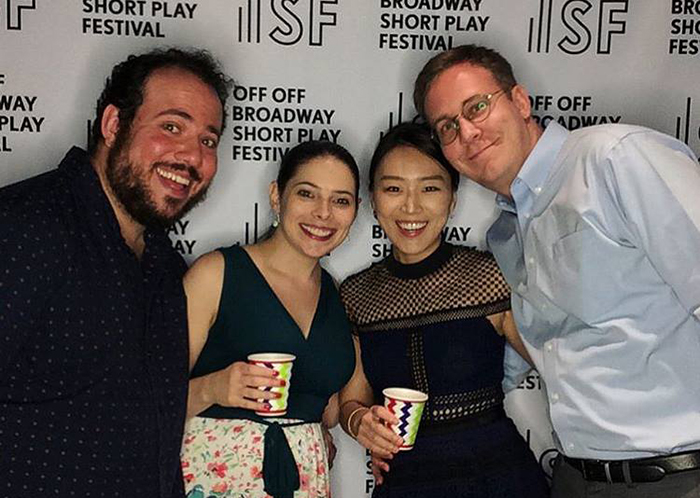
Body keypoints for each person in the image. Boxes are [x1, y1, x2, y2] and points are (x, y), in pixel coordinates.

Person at [413, 44, 700, 497]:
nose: (467, 131)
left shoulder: (614, 160)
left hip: (676, 475)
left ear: (521, 101)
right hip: (575, 478)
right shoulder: (506, 234)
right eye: (447, 126)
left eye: (477, 107)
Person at [0, 47, 232, 497]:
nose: (191, 156)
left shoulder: (166, 270)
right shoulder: (24, 228)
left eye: (208, 140)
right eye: (171, 126)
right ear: (113, 125)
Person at [337, 122, 549, 497]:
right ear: (373, 199)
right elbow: (352, 400)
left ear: (452, 200)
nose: (411, 206)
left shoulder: (489, 275)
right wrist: (359, 423)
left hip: (498, 477)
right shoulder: (357, 295)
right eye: (393, 188)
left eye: (430, 188)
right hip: (404, 482)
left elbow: (558, 365)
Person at [181, 140, 359, 498]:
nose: (323, 213)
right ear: (277, 196)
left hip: (305, 482)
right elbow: (142, 402)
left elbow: (328, 409)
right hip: (217, 480)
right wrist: (213, 388)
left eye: (341, 200)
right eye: (307, 194)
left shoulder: (336, 295)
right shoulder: (217, 273)